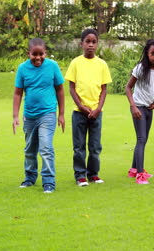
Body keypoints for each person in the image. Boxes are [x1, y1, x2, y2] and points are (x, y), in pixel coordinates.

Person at [13, 38, 65, 193]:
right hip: (29, 116)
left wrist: (61, 114)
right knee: (30, 149)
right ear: (28, 53)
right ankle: (30, 177)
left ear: (45, 53)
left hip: (48, 114)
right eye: (34, 54)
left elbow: (60, 90)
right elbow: (17, 93)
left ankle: (49, 181)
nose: (38, 57)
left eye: (41, 54)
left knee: (46, 147)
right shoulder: (22, 69)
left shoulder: (53, 66)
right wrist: (15, 115)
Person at [65, 28, 112, 187]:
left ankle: (93, 174)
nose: (91, 45)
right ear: (81, 44)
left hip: (96, 113)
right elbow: (71, 87)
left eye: (94, 42)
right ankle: (80, 175)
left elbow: (104, 89)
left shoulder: (102, 64)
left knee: (95, 146)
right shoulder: (75, 63)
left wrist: (98, 108)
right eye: (88, 42)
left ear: (97, 44)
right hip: (79, 112)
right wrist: (80, 105)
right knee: (79, 146)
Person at [125, 39, 154, 184]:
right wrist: (133, 106)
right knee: (141, 139)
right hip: (139, 107)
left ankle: (133, 169)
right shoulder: (140, 69)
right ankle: (140, 174)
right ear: (147, 53)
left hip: (150, 107)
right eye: (153, 53)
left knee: (143, 139)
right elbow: (128, 88)